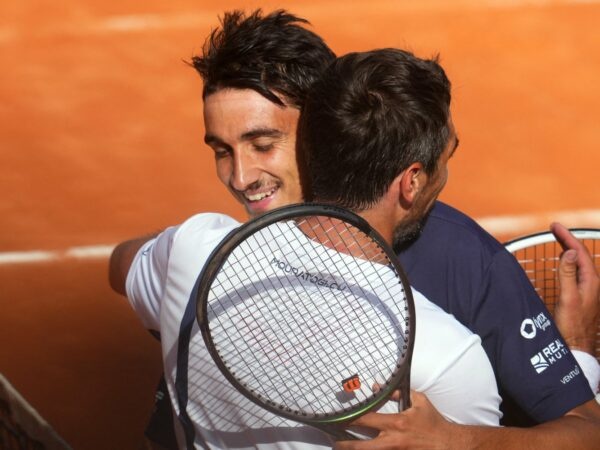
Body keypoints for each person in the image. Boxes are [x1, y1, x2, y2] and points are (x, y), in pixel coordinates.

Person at [108, 8, 599, 449]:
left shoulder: (467, 264)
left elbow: (576, 420)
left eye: (263, 144)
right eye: (222, 150)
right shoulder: (208, 254)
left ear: (320, 127)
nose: (240, 178)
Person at [295, 47, 600, 448]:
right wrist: (579, 351)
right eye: (446, 156)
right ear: (412, 181)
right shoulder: (467, 291)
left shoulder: (202, 256)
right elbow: (588, 435)